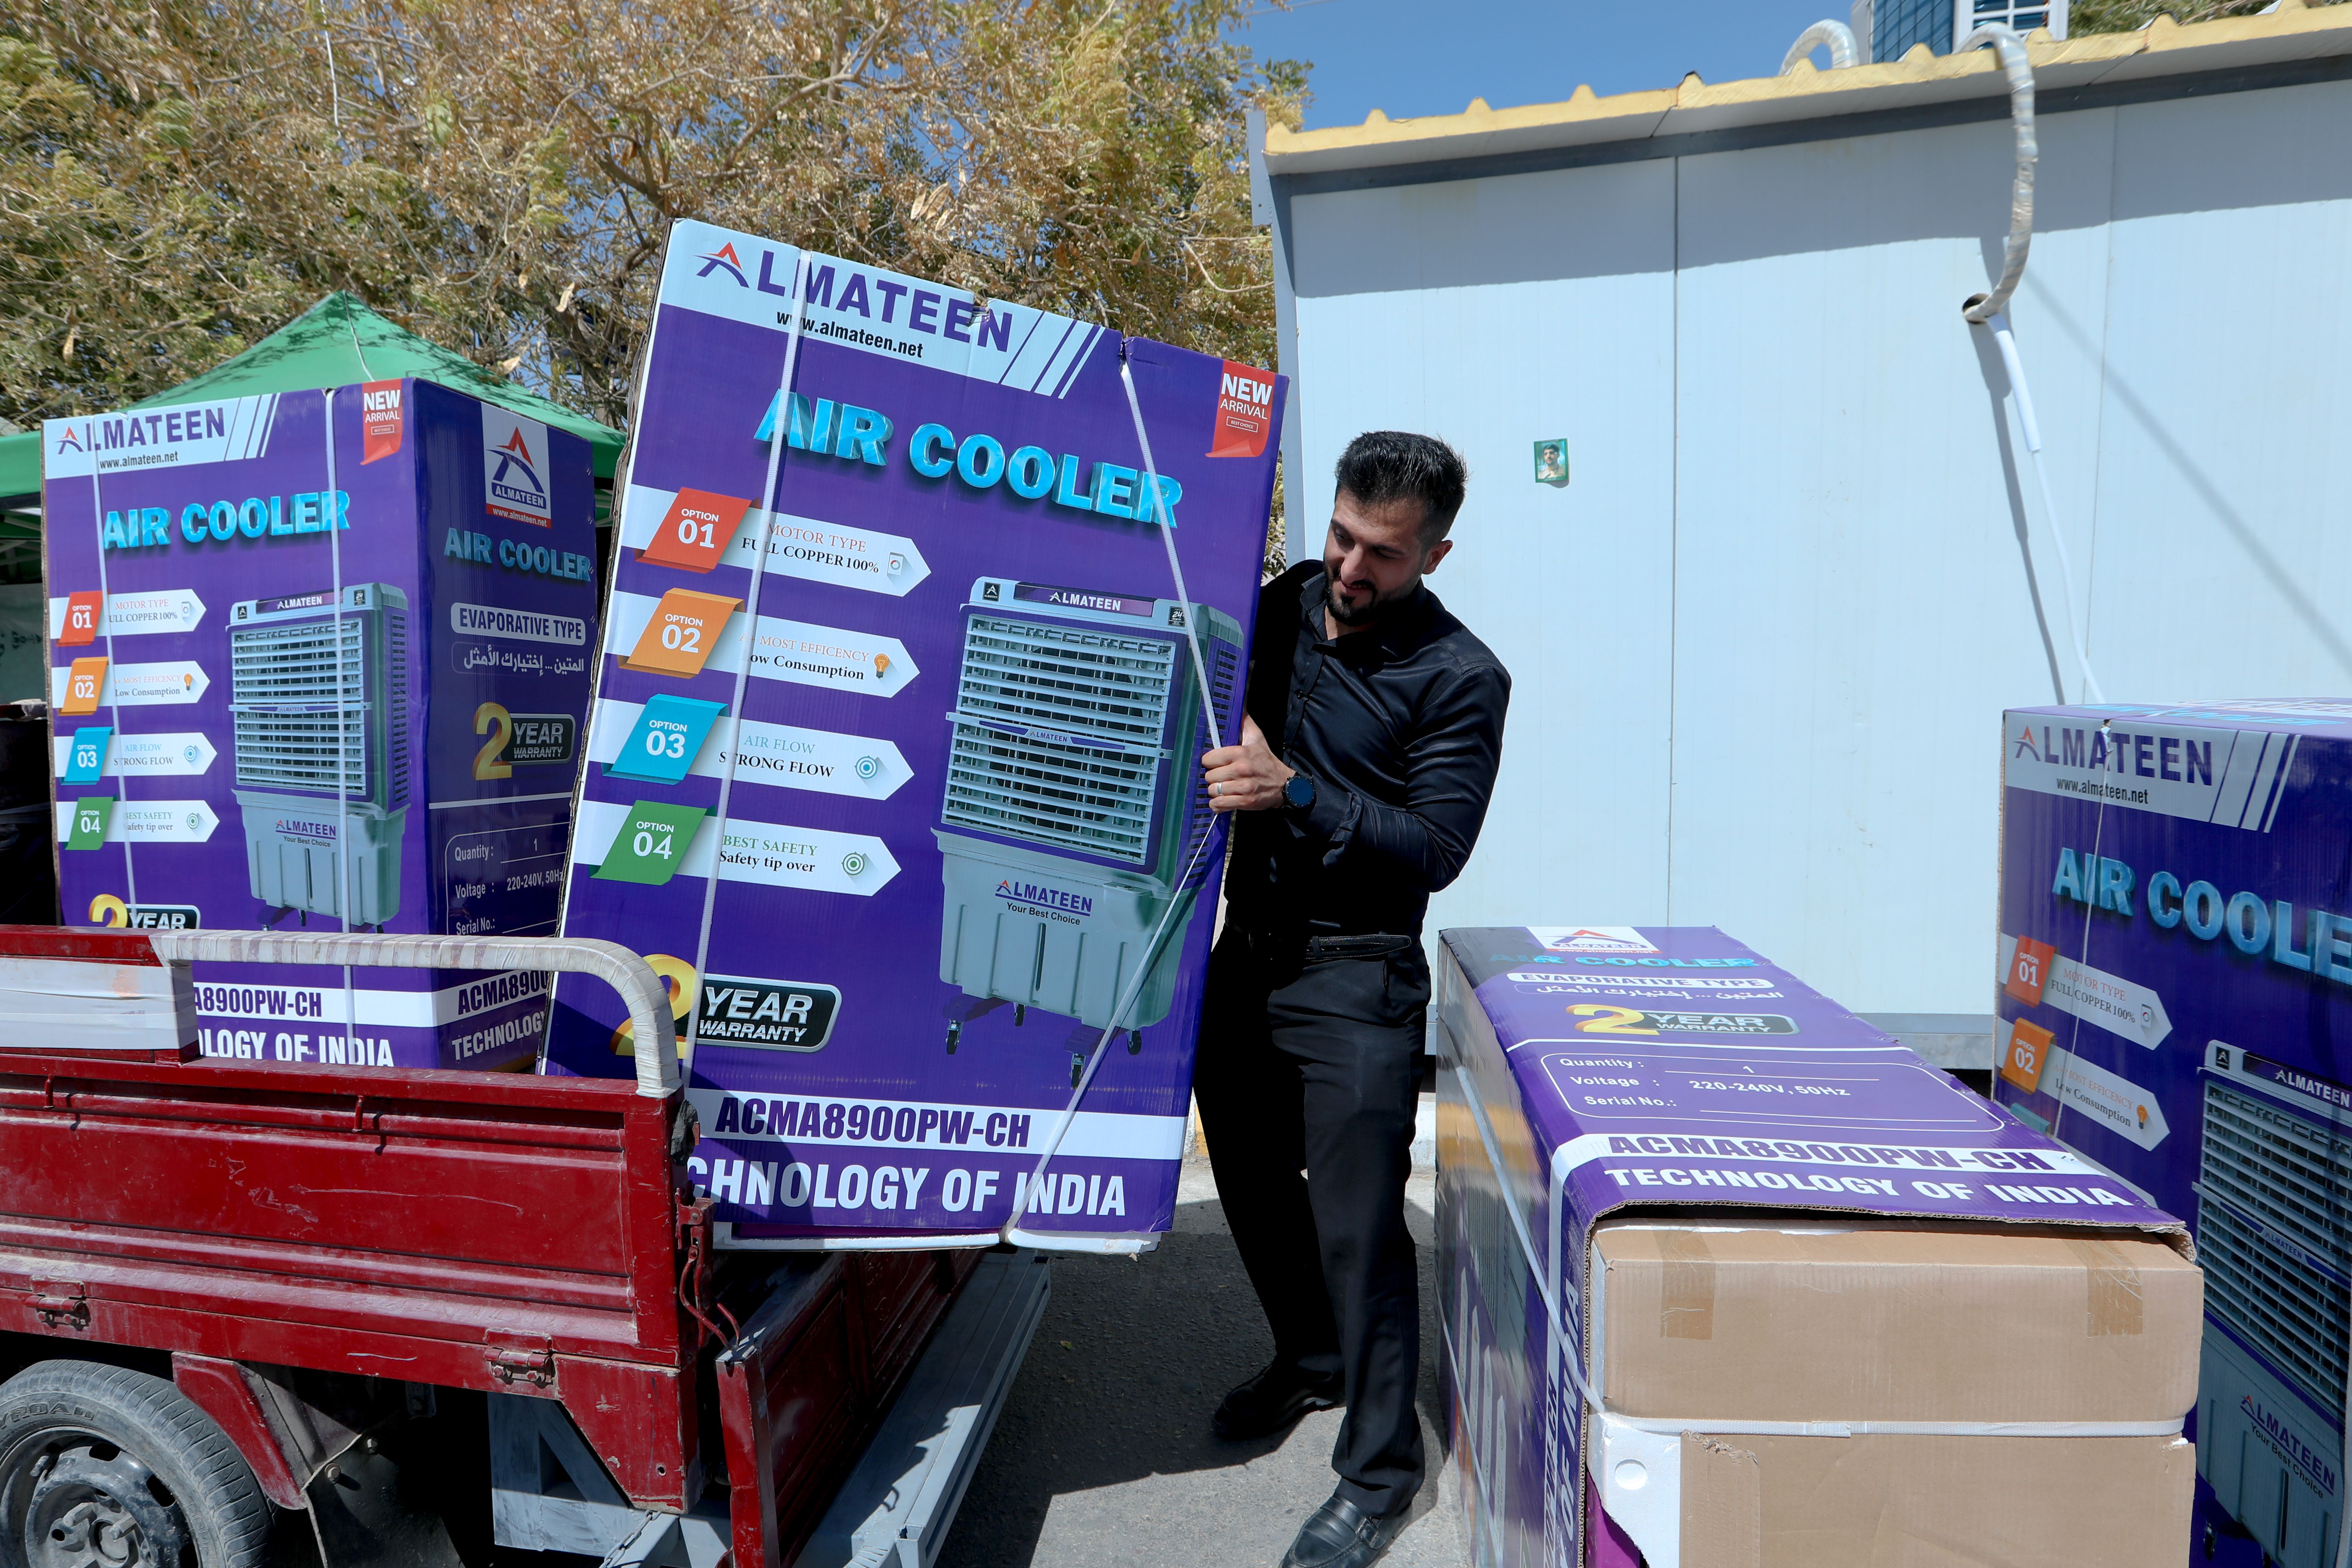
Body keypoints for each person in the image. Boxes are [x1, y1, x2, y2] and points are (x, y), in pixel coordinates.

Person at [1195, 431, 1511, 1568]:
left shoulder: (1462, 676)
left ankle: (1381, 1472)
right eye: (1341, 536)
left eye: (1383, 552)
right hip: (1247, 954)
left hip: (1359, 971)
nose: (1350, 566)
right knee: (1245, 1172)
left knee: (1362, 1226)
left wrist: (1297, 792)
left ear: (1434, 554)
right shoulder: (1280, 604)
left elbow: (1436, 847)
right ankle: (1311, 1355)